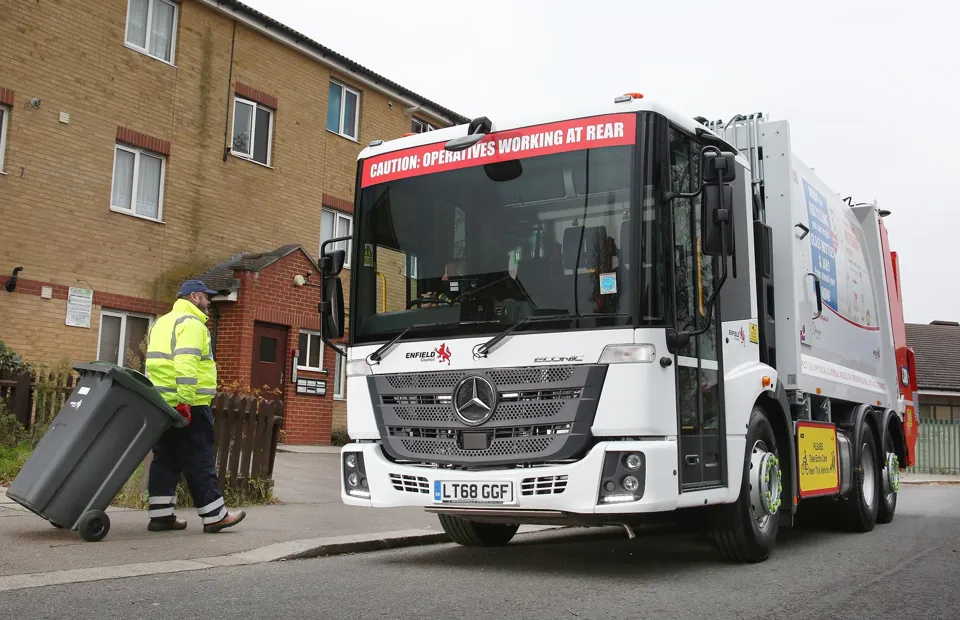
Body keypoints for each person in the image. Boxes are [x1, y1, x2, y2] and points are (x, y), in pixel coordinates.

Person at [144, 279, 245, 533]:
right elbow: (185, 364)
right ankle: (215, 515)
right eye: (205, 297)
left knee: (165, 457)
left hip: (161, 402)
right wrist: (186, 402)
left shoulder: (161, 322)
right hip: (189, 403)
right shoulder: (192, 325)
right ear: (193, 297)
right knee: (199, 457)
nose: (208, 302)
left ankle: (161, 515)